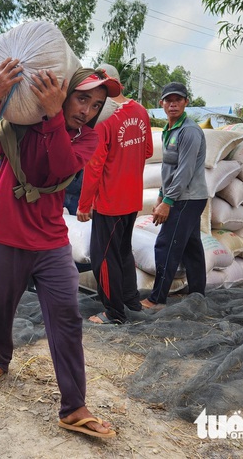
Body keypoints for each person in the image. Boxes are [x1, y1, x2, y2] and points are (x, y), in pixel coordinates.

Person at [0, 58, 118, 439]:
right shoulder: (23, 123)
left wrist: (56, 118)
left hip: (52, 241)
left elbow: (60, 169)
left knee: (67, 316)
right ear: (65, 94)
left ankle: (73, 407)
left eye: (96, 105)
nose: (87, 111)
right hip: (6, 235)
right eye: (82, 100)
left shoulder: (88, 137)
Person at [76, 66, 153, 324]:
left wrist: (85, 204)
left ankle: (113, 312)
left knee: (103, 258)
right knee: (123, 251)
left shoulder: (104, 118)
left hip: (110, 201)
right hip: (132, 199)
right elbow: (148, 151)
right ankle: (131, 301)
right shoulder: (140, 111)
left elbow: (94, 166)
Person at [141, 82, 208, 311]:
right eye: (168, 100)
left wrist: (168, 201)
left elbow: (185, 171)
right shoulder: (171, 129)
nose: (173, 104)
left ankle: (157, 299)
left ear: (186, 102)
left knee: (166, 244)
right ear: (161, 104)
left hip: (187, 198)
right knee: (191, 246)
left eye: (178, 100)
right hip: (180, 195)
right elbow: (169, 168)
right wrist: (161, 194)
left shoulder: (189, 131)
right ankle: (198, 293)